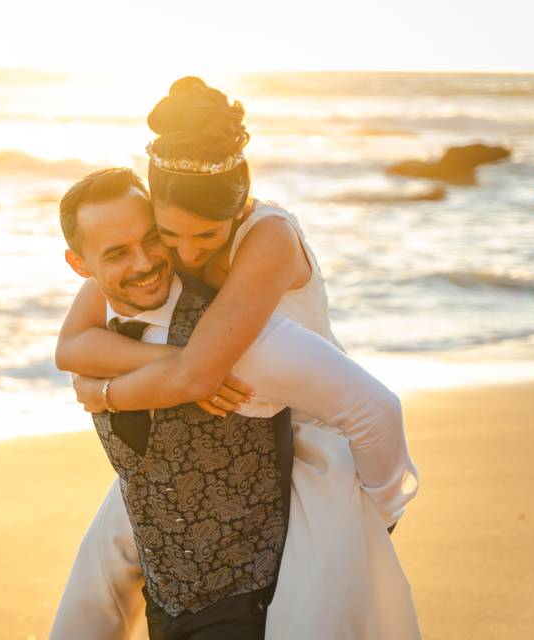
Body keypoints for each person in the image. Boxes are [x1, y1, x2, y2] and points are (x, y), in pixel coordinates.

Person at [50, 78, 420, 640]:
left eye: (207, 236)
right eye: (170, 234)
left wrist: (381, 514)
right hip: (209, 444)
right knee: (97, 579)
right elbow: (74, 344)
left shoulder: (265, 240)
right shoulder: (153, 238)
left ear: (237, 206)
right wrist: (151, 366)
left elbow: (200, 373)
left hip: (306, 445)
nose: (188, 252)